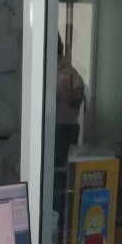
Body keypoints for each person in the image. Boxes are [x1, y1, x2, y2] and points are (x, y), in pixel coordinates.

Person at [55, 37, 86, 166]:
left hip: (65, 128)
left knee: (62, 167)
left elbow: (78, 98)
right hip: (44, 126)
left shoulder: (70, 72)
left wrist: (62, 93)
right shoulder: (40, 69)